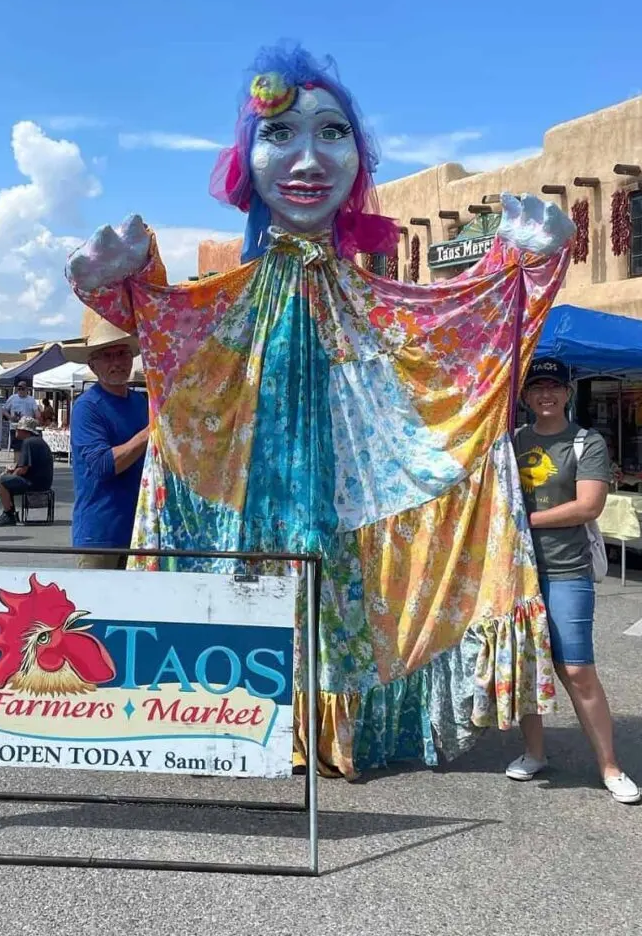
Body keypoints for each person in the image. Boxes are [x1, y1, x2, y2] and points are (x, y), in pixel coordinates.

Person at [66, 42, 576, 778]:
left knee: (346, 577)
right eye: (280, 134)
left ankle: (341, 726)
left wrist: (513, 266)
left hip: (349, 490)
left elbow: (458, 336)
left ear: (357, 161)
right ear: (248, 160)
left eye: (332, 133)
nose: (308, 159)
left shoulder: (370, 299)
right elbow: (170, 333)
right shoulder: (227, 299)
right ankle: (238, 714)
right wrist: (128, 283)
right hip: (253, 485)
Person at [509, 358, 640, 804]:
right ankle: (534, 752)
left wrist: (525, 520)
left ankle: (610, 766)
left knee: (577, 668)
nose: (546, 394)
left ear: (568, 394)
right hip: (518, 572)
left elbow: (588, 507)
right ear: (525, 396)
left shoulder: (587, 443)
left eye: (554, 387)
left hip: (567, 570)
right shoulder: (512, 441)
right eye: (537, 386)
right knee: (527, 663)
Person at [60, 320, 148, 568]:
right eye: (107, 356)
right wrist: (149, 433)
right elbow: (103, 466)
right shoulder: (87, 407)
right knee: (95, 606)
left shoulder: (141, 403)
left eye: (122, 353)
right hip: (100, 536)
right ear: (92, 365)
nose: (117, 362)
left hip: (141, 533)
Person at [0, 417, 54, 527]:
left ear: (25, 431)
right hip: (43, 482)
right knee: (7, 479)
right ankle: (10, 511)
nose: (16, 431)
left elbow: (23, 469)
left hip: (34, 483)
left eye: (18, 429)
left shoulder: (28, 442)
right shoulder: (38, 441)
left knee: (2, 480)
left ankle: (8, 514)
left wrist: (9, 476)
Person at [3, 380, 38, 450]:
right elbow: (4, 410)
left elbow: (36, 412)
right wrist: (10, 417)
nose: (20, 391)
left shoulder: (31, 399)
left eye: (22, 389)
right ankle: (17, 460)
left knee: (27, 448)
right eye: (19, 389)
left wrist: (37, 419)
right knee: (17, 448)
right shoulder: (13, 398)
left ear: (27, 389)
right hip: (15, 427)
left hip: (27, 428)